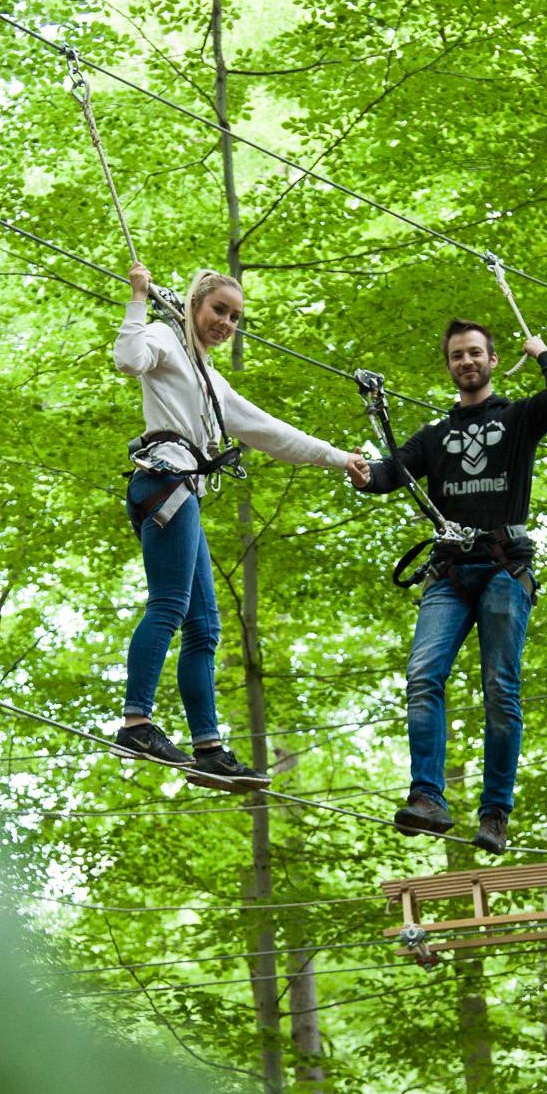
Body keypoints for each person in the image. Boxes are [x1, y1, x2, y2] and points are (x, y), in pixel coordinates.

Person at [112, 262, 357, 790]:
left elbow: (273, 433)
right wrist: (137, 297)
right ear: (195, 306)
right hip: (165, 480)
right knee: (171, 606)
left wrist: (339, 458)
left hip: (184, 492)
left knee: (205, 626)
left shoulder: (212, 381)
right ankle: (136, 722)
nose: (227, 323)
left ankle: (209, 748)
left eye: (235, 317)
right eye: (219, 310)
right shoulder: (162, 336)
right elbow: (128, 359)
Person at [345, 320, 547, 852]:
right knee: (423, 676)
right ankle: (427, 796)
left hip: (502, 568)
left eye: (475, 353)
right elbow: (389, 474)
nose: (466, 361)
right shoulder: (436, 436)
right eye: (457, 356)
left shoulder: (519, 418)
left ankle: (495, 813)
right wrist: (361, 474)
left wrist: (540, 350)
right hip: (450, 572)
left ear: (493, 361)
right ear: (450, 366)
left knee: (500, 688)